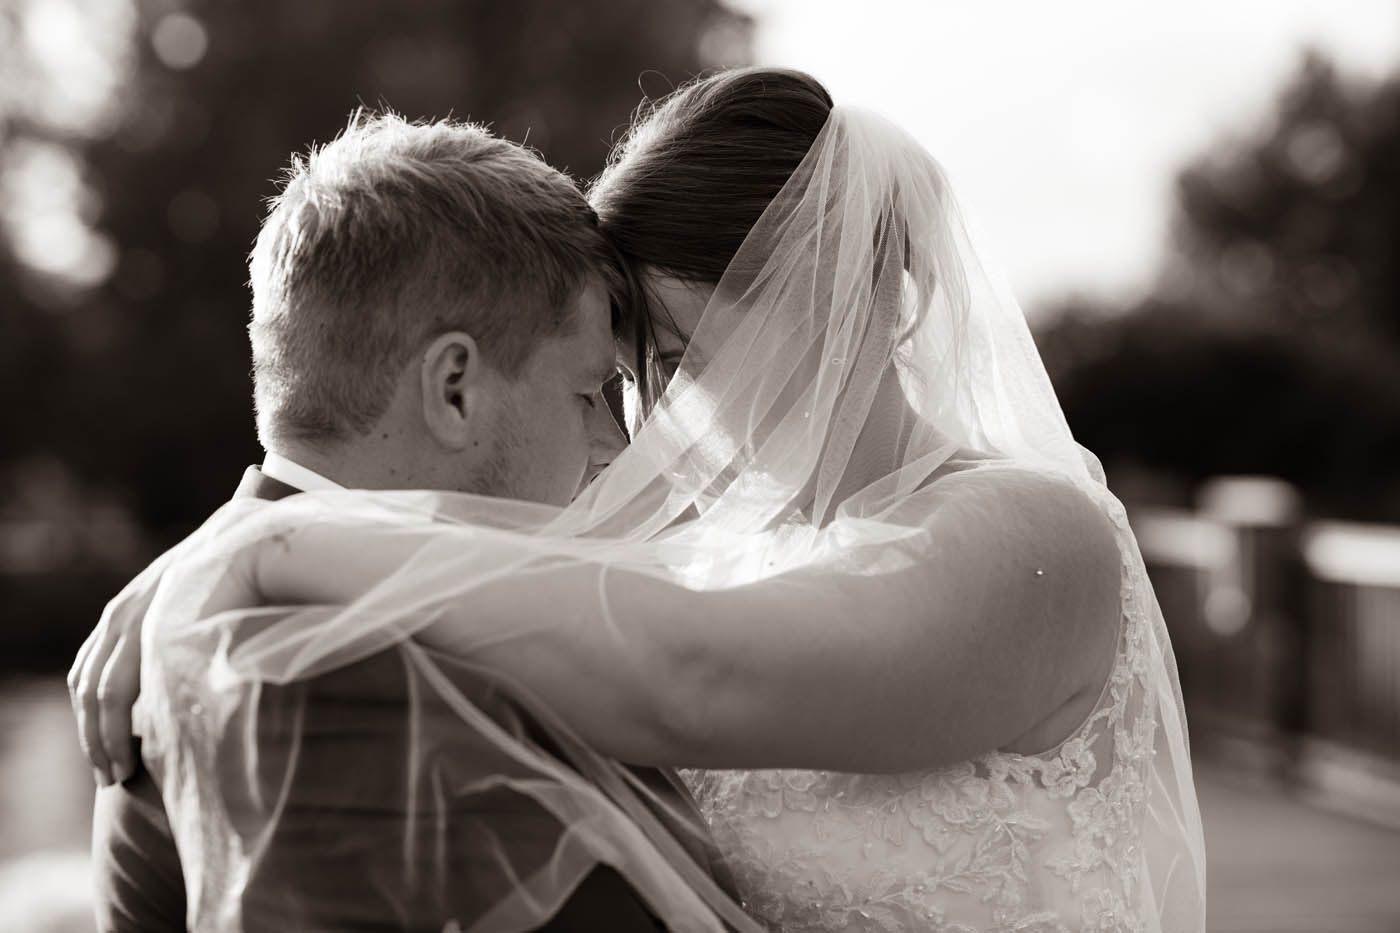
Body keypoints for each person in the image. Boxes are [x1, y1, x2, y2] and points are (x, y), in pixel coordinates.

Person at [76, 68, 1207, 931]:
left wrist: (274, 543)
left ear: (858, 296)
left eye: (687, 356)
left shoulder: (1039, 539)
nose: (657, 419)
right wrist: (214, 550)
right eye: (629, 377)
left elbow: (696, 676)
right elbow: (467, 543)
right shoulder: (700, 551)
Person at [73, 111, 750, 932]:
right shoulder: (309, 675)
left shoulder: (300, 601)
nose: (613, 445)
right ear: (454, 388)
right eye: (585, 395)